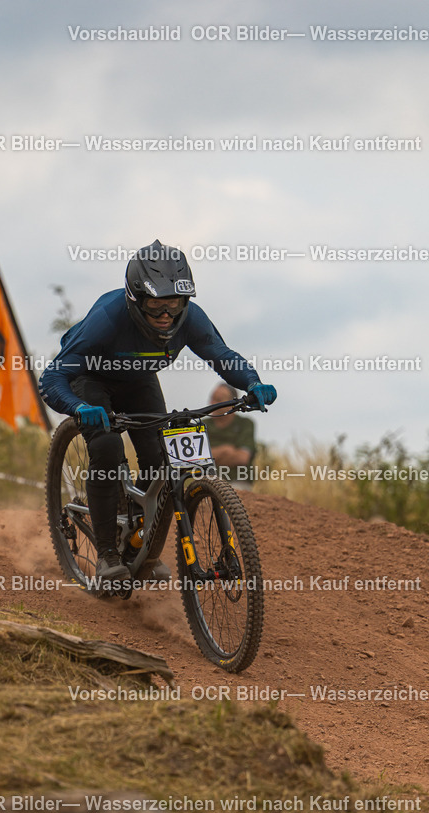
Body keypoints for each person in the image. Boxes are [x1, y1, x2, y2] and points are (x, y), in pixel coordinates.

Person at [40, 240, 277, 583]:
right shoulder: (107, 318)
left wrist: (253, 383)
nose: (167, 315)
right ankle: (107, 555)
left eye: (175, 304)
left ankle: (137, 542)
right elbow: (52, 377)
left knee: (161, 458)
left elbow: (220, 354)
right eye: (156, 305)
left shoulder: (189, 318)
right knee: (107, 447)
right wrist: (79, 408)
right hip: (90, 380)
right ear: (135, 299)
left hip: (138, 379)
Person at [204, 383, 257, 490]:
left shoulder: (245, 424)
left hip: (238, 482)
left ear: (231, 404)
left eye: (218, 400)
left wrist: (211, 457)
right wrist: (225, 451)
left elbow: (242, 458)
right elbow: (195, 460)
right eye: (212, 398)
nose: (212, 403)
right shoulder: (201, 425)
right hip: (208, 481)